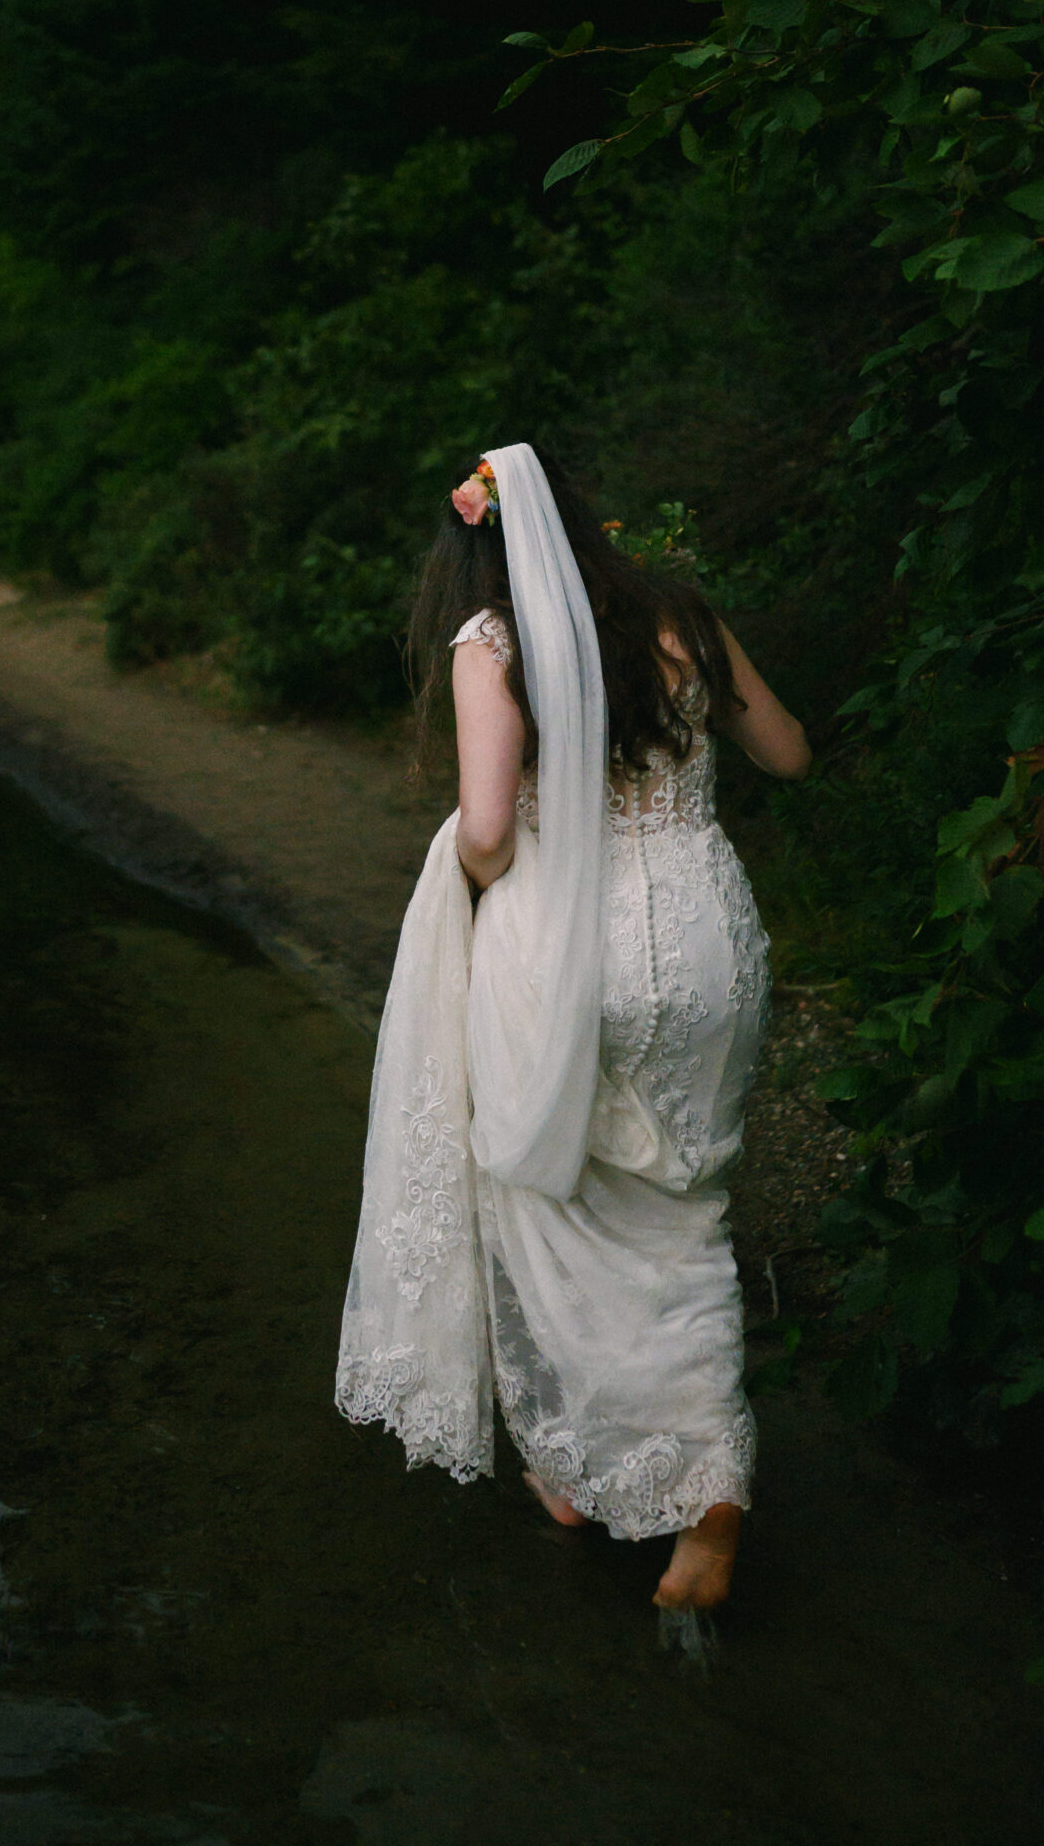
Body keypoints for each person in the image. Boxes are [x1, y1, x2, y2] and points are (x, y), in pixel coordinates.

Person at [336, 442, 810, 1646]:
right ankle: (684, 1492)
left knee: (547, 1198)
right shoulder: (685, 617)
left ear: (473, 549)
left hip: (572, 955)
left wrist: (473, 871)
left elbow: (489, 832)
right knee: (682, 1209)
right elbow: (789, 752)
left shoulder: (492, 644)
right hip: (709, 948)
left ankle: (597, 1470)